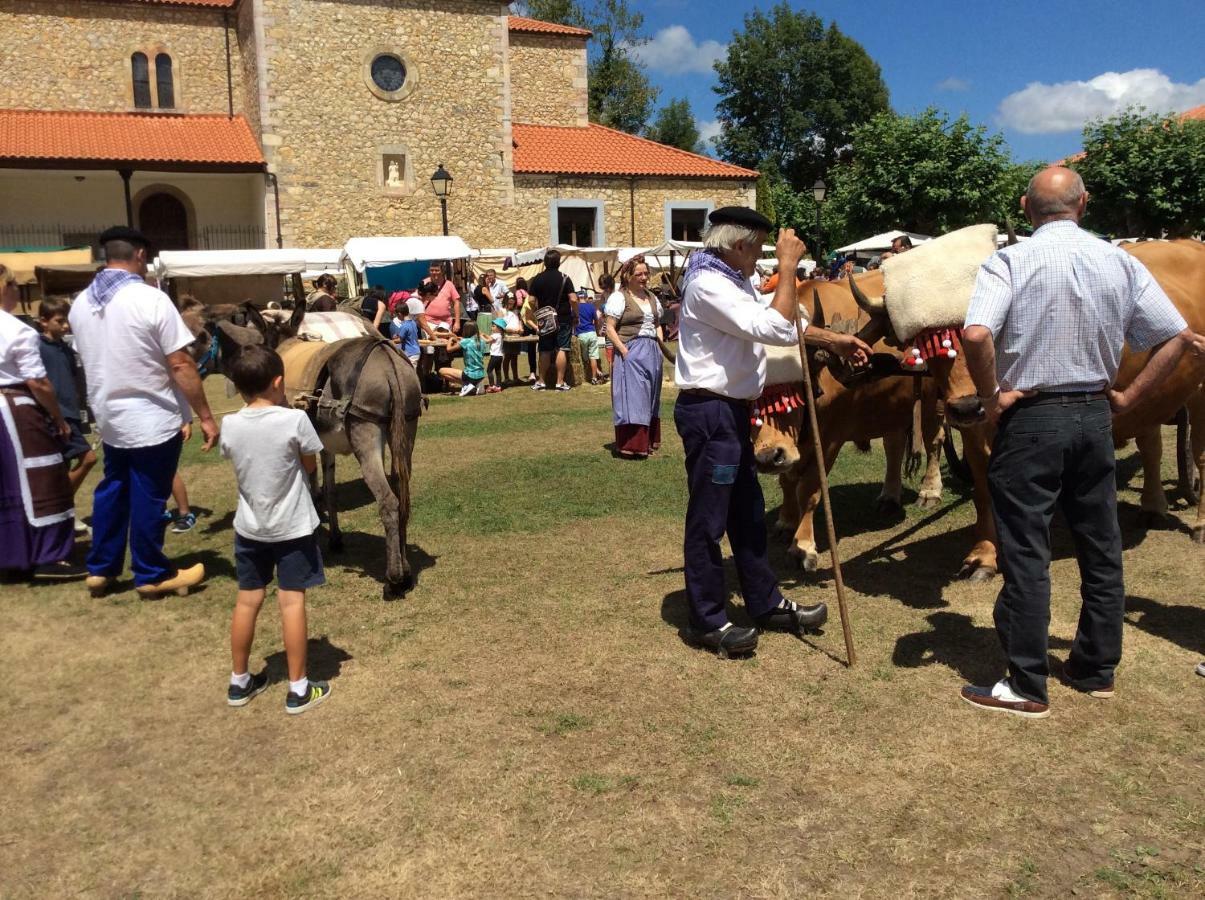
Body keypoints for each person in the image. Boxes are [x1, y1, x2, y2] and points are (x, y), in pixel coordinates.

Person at [958, 167, 1194, 719]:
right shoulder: (1119, 260)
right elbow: (1177, 337)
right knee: (1099, 544)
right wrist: (1131, 395)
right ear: (1083, 204)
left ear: (1024, 207)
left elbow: (975, 333)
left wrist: (991, 397)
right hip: (1094, 414)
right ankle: (1093, 669)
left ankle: (1025, 682)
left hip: (1033, 415)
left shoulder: (1010, 261)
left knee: (1026, 549)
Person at [673, 207, 870, 657]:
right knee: (709, 518)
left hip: (733, 412)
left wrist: (833, 340)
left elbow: (783, 320)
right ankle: (707, 620)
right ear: (739, 245)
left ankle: (764, 602)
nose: (763, 254)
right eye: (760, 246)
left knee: (747, 512)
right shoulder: (707, 284)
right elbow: (774, 326)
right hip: (711, 413)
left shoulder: (732, 280)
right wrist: (786, 268)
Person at [68, 226, 217, 599]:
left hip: (109, 413)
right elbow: (180, 362)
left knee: (112, 490)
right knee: (149, 493)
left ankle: (101, 568)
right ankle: (151, 572)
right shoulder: (150, 299)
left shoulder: (81, 303)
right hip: (150, 413)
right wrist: (205, 415)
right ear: (138, 255)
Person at [219, 345, 331, 714]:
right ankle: (298, 688)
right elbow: (310, 464)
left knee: (248, 599)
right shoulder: (293, 421)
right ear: (278, 382)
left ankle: (239, 681)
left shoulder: (231, 424)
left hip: (250, 527)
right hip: (292, 527)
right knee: (291, 600)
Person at [0, 265, 81, 580]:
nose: (18, 291)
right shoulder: (16, 329)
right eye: (15, 285)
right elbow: (37, 381)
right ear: (6, 287)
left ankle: (12, 555)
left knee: (7, 481)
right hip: (14, 409)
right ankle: (50, 555)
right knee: (42, 477)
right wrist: (58, 417)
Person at [36, 298, 97, 504]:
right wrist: (55, 415)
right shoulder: (37, 347)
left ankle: (64, 512)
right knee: (89, 458)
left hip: (70, 414)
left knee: (62, 468)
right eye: (59, 321)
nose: (65, 326)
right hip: (56, 417)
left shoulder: (66, 349)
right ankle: (58, 505)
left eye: (67, 321)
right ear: (43, 321)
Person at [605, 257, 667, 458]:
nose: (644, 278)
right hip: (631, 349)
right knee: (634, 397)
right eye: (639, 274)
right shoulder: (619, 297)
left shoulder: (651, 297)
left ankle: (647, 443)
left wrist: (661, 347)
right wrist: (624, 351)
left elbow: (657, 324)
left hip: (652, 350)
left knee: (651, 397)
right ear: (628, 276)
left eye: (646, 273)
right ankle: (632, 445)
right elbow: (610, 328)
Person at [530, 249, 576, 391]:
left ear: (545, 262)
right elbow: (573, 299)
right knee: (562, 348)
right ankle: (560, 382)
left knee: (544, 349)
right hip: (562, 317)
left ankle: (542, 381)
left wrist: (536, 313)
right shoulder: (565, 278)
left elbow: (531, 300)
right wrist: (576, 314)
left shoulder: (537, 278)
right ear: (558, 262)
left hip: (545, 320)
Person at [438, 330, 488, 396]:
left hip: (469, 374)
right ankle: (475, 385)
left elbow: (449, 349)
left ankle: (468, 385)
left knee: (441, 371)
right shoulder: (482, 341)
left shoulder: (465, 342)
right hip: (481, 374)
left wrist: (450, 339)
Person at [575, 289, 604, 385]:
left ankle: (591, 374)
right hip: (591, 333)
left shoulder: (575, 308)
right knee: (593, 356)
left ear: (578, 298)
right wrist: (596, 330)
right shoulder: (591, 307)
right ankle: (594, 377)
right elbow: (596, 320)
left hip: (581, 334)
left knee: (585, 357)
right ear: (586, 297)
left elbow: (573, 322)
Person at [423, 261, 461, 334]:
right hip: (428, 322)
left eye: (437, 270)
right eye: (432, 270)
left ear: (442, 271)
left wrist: (457, 322)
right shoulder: (424, 283)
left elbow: (456, 302)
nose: (434, 272)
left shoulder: (449, 285)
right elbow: (418, 300)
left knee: (444, 344)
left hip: (445, 323)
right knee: (430, 345)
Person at [515, 276, 539, 381]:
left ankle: (536, 372)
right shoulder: (529, 297)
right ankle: (533, 372)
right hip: (532, 323)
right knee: (532, 349)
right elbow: (530, 314)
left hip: (530, 322)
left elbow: (519, 303)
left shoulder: (519, 292)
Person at [390, 296, 423, 366]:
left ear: (399, 314)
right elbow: (409, 334)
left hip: (410, 353)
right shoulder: (413, 322)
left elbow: (400, 340)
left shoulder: (404, 326)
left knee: (410, 373)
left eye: (397, 315)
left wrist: (389, 341)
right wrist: (398, 335)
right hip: (416, 351)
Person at [500, 293, 525, 385]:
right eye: (509, 302)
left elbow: (520, 322)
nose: (511, 304)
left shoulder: (516, 312)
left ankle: (515, 377)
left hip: (516, 338)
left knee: (514, 357)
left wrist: (521, 329)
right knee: (507, 357)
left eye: (512, 302)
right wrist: (512, 330)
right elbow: (501, 325)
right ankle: (506, 378)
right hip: (507, 337)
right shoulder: (502, 311)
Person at [599, 273, 618, 372]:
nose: (604, 290)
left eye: (605, 288)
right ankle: (612, 372)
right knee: (609, 348)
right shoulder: (604, 294)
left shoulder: (618, 292)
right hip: (608, 323)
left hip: (617, 324)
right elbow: (601, 308)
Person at [485, 316, 506, 392]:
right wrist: (484, 334)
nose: (492, 327)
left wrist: (480, 336)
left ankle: (491, 386)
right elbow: (490, 338)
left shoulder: (495, 335)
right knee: (498, 371)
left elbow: (488, 341)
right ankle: (498, 386)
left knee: (489, 370)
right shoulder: (500, 335)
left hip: (494, 356)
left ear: (499, 328)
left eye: (493, 326)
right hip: (500, 356)